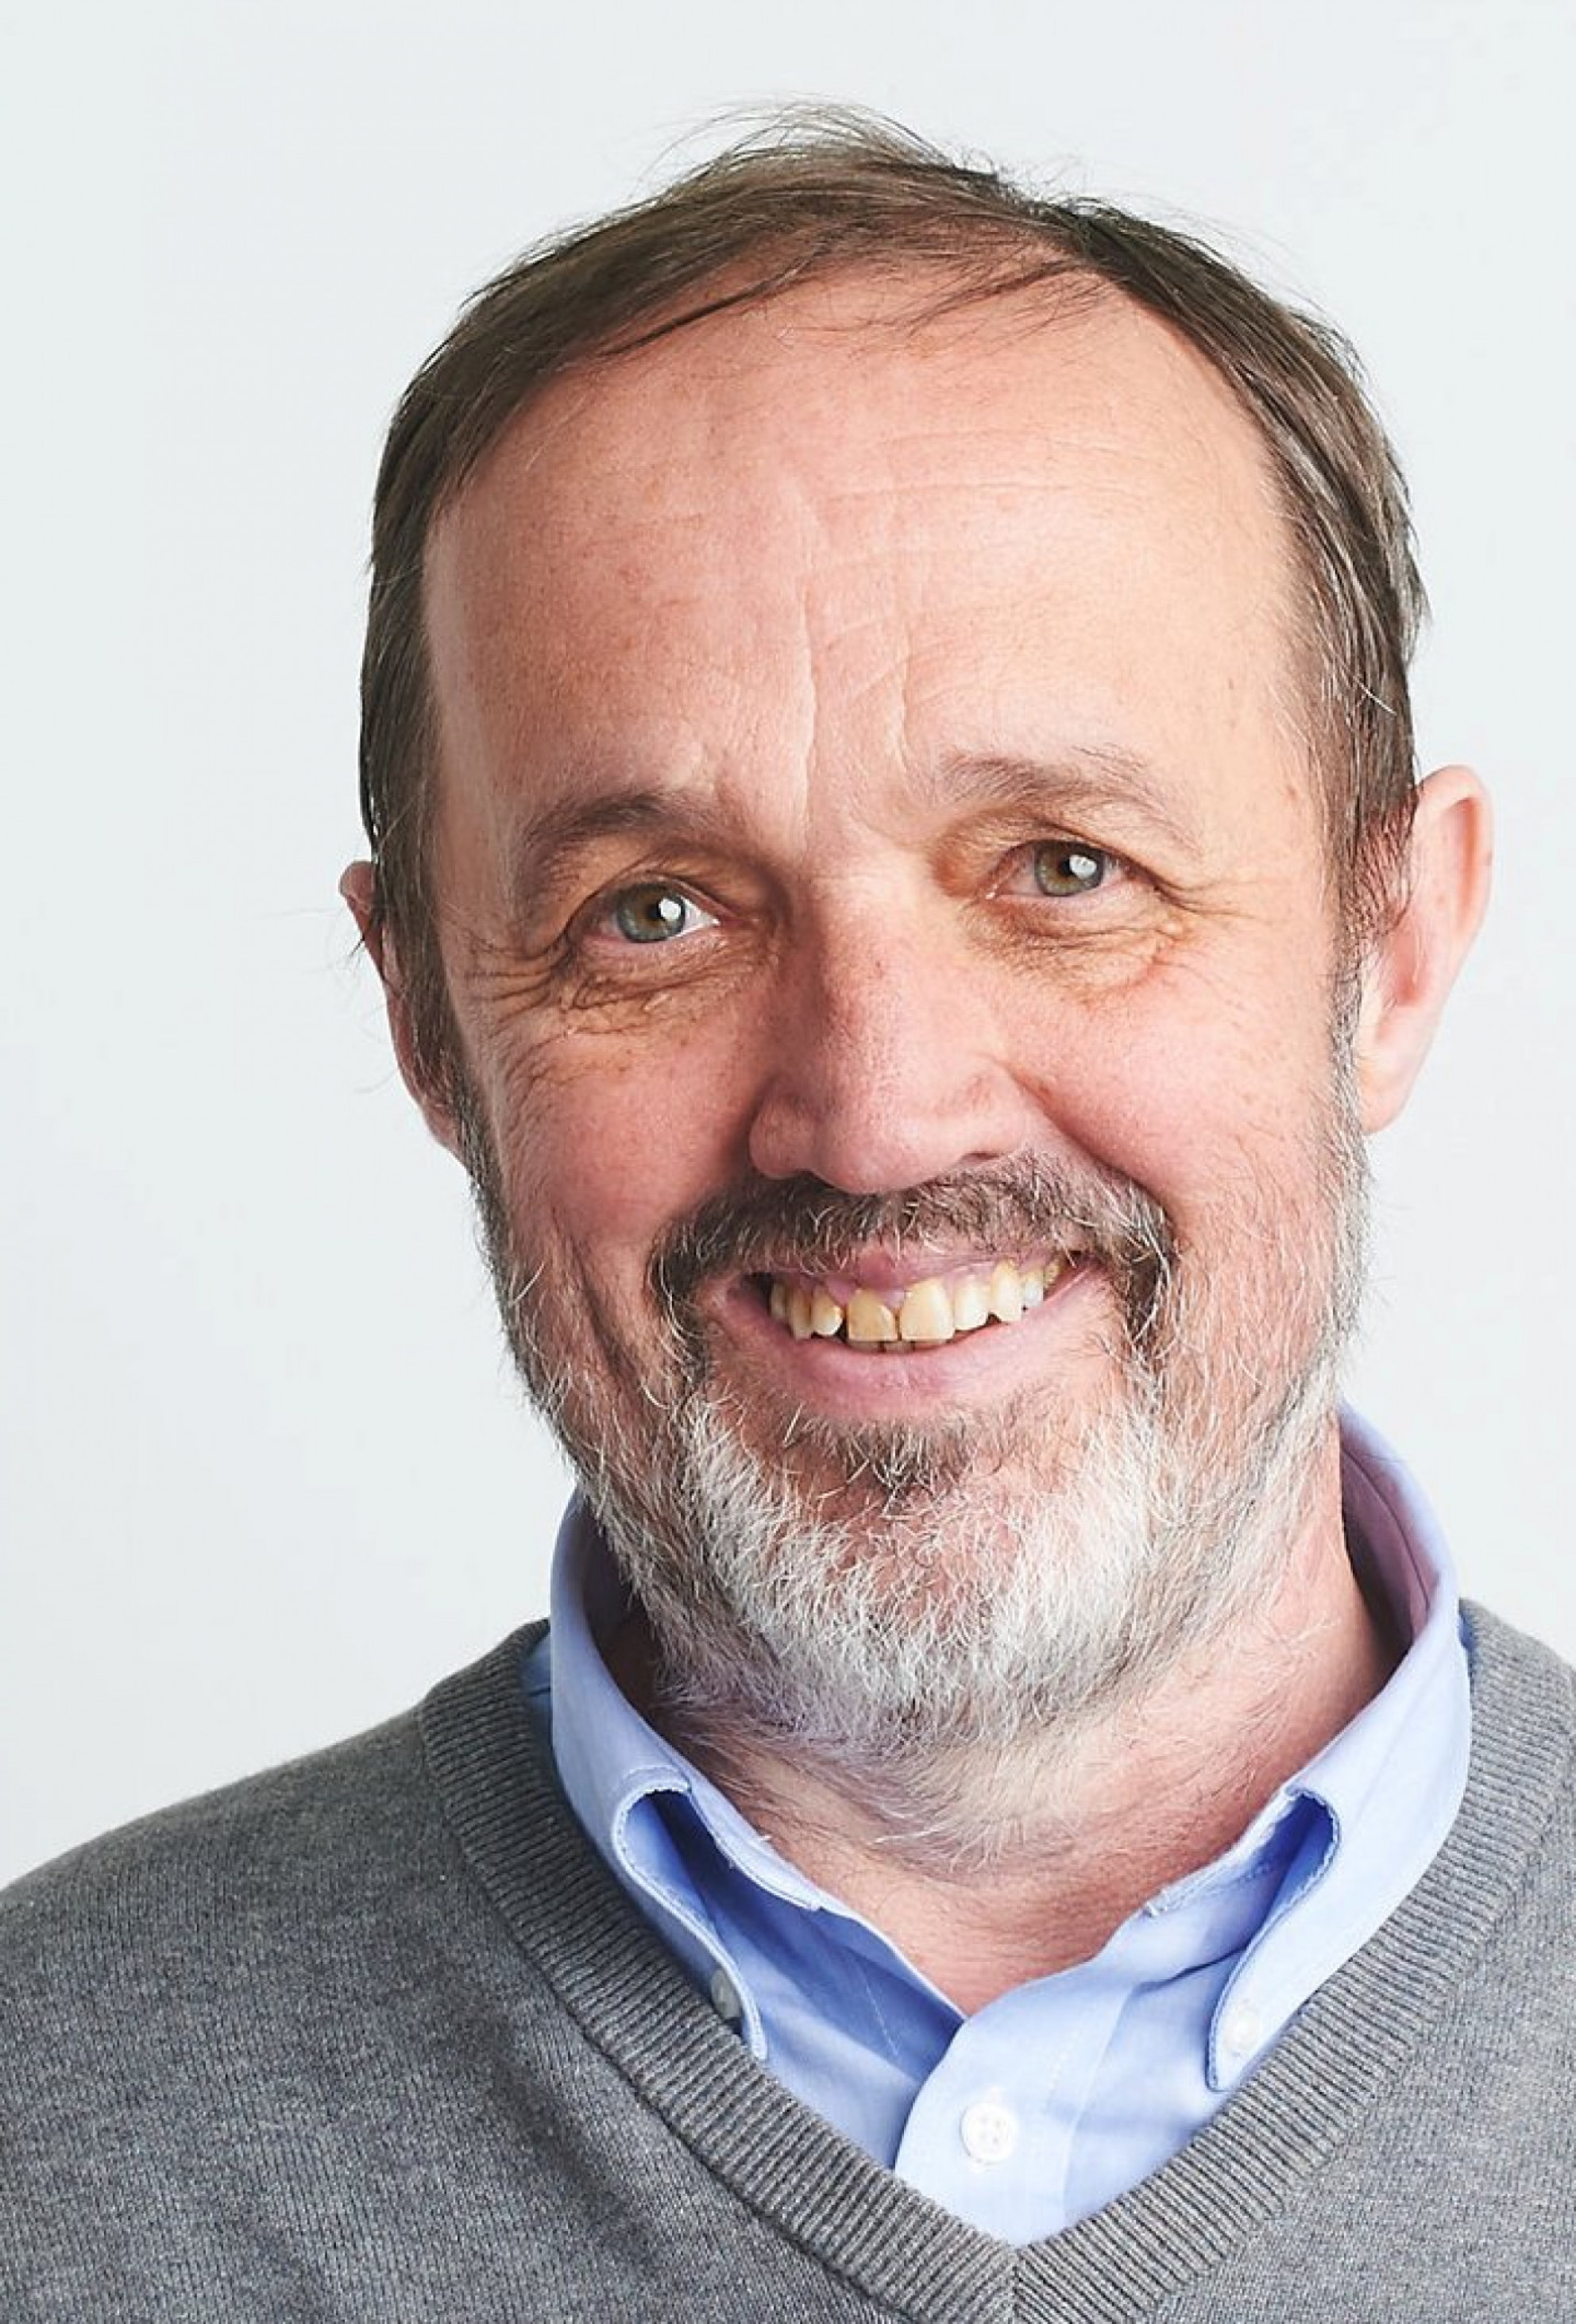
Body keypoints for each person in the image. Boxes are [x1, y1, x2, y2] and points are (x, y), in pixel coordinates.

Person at [2, 114, 1569, 2321]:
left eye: (1066, 870)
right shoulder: (50, 2146)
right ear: (429, 1024)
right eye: (653, 914)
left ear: (1393, 953)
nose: (877, 1115)